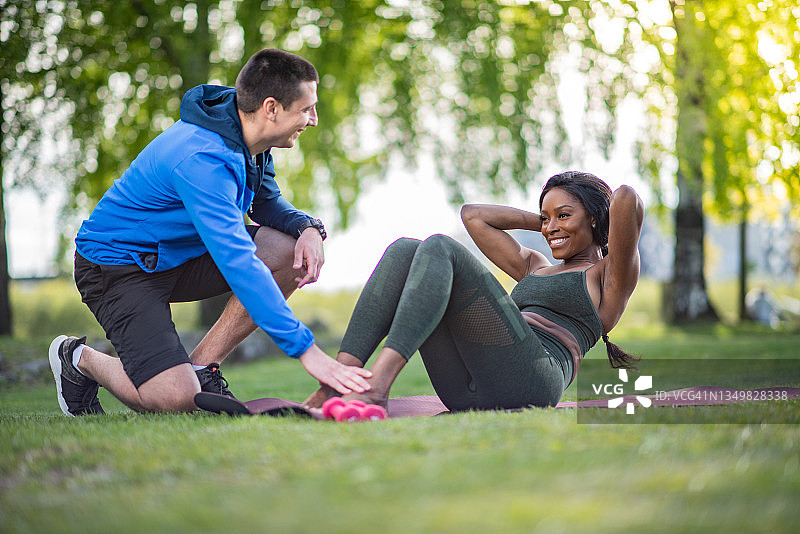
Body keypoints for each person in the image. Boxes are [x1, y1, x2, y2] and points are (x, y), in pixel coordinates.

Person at [49, 48, 371, 416]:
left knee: (286, 251)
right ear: (271, 108)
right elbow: (239, 263)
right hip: (118, 269)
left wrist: (308, 228)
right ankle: (78, 359)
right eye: (306, 109)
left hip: (178, 257)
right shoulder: (203, 159)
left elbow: (266, 203)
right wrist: (307, 351)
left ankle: (201, 368)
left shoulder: (244, 137)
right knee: (176, 400)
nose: (313, 119)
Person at [304, 171, 643, 414]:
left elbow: (626, 197)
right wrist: (544, 221)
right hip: (467, 386)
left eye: (564, 216)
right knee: (405, 249)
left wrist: (595, 212)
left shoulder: (608, 274)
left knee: (440, 246)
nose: (551, 227)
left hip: (533, 379)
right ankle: (339, 381)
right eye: (546, 218)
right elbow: (474, 216)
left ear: (597, 219)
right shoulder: (534, 265)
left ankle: (376, 387)